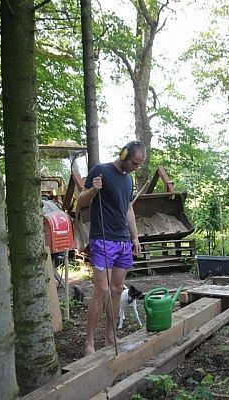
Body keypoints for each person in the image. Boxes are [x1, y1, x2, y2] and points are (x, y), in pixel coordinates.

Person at [77, 140, 146, 355]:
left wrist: (134, 237)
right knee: (103, 290)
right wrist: (94, 191)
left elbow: (128, 209)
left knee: (117, 290)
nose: (136, 167)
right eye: (134, 163)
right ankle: (89, 342)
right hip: (103, 239)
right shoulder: (101, 171)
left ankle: (110, 336)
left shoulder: (129, 180)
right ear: (124, 154)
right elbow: (80, 201)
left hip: (123, 242)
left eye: (139, 165)